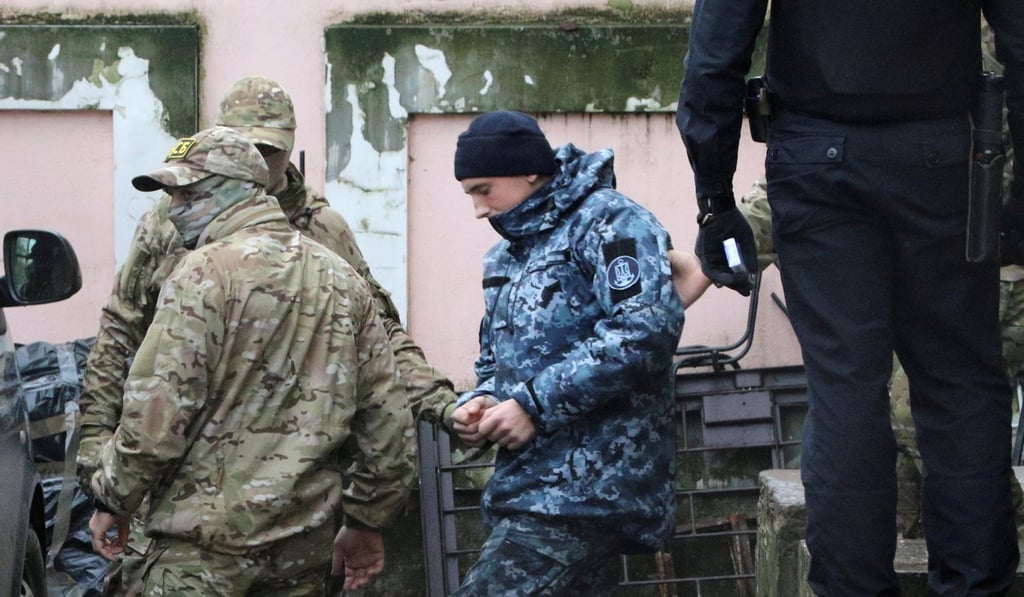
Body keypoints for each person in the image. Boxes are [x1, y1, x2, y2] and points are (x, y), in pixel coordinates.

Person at [677, 3, 1024, 595]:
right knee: (960, 381)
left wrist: (715, 199)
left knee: (845, 386)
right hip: (942, 156)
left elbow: (715, 55)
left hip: (817, 159)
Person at [77, 75, 456, 483]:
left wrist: (441, 403)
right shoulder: (170, 223)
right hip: (182, 472)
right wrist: (96, 434)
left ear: (289, 146)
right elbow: (122, 327)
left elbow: (380, 338)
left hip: (294, 478)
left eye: (266, 149)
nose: (253, 158)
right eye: (239, 145)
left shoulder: (323, 230)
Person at [87, 126, 416, 594]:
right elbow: (387, 422)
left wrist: (113, 496)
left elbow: (154, 419)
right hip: (301, 553)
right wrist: (367, 519)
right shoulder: (340, 278)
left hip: (200, 557)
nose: (172, 211)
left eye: (185, 194)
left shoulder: (202, 273)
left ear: (233, 191)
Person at [448, 110, 684, 595]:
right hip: (531, 487)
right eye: (469, 193)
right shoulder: (505, 256)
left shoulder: (610, 222)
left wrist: (533, 405)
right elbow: (496, 359)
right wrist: (485, 401)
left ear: (529, 170)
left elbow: (645, 331)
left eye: (483, 189)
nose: (477, 209)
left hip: (590, 490)